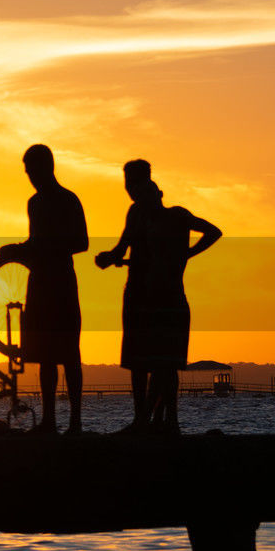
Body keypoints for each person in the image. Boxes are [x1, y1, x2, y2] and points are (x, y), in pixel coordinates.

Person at [0, 144, 87, 436]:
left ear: (46, 168)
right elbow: (33, 242)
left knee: (70, 356)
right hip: (38, 283)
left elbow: (81, 243)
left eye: (32, 171)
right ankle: (49, 421)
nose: (30, 177)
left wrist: (43, 245)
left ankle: (75, 422)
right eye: (27, 173)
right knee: (45, 356)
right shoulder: (33, 203)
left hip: (61, 282)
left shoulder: (68, 199)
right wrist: (17, 250)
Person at [128, 180, 220, 433]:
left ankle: (167, 420)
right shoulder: (146, 224)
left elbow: (213, 231)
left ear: (158, 195)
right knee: (161, 364)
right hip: (154, 300)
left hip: (172, 299)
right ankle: (159, 420)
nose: (145, 202)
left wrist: (188, 253)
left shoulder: (177, 215)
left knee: (166, 364)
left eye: (149, 196)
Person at [95, 159, 157, 431]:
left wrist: (109, 258)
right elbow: (123, 248)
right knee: (143, 359)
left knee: (146, 359)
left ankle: (145, 418)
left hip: (146, 290)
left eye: (131, 182)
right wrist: (111, 257)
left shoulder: (146, 211)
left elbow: (122, 249)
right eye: (126, 183)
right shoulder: (146, 210)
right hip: (143, 287)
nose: (128, 188)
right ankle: (145, 417)